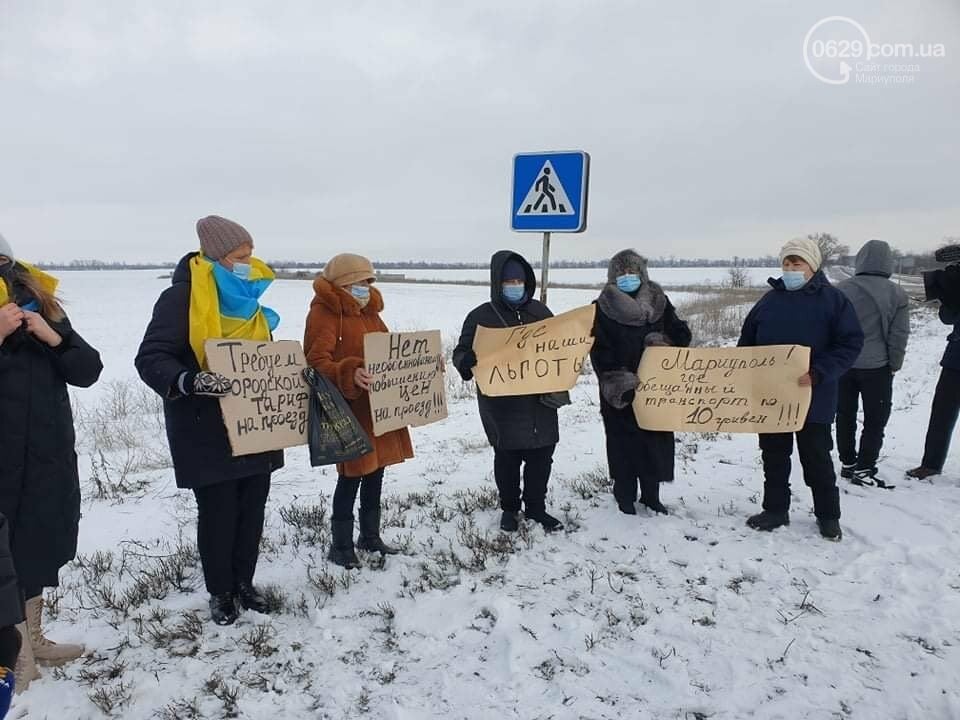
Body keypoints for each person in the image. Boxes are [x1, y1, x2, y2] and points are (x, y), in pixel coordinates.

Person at [135, 216, 283, 626]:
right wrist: (188, 380)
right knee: (218, 513)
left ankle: (245, 583)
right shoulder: (181, 299)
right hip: (206, 427)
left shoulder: (248, 302)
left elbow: (261, 359)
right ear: (217, 257)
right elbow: (150, 358)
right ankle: (220, 591)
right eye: (240, 257)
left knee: (252, 508)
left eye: (250, 255)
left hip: (256, 426)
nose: (248, 264)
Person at [0, 234, 101, 675]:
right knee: (2, 557)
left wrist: (53, 338)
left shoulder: (41, 304)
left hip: (47, 452)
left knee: (38, 543)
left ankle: (34, 639)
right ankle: (13, 656)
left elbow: (89, 371)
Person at [738, 238, 863, 541]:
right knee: (774, 455)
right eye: (787, 263)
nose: (791, 269)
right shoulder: (769, 302)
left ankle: (828, 516)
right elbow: (747, 343)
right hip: (771, 398)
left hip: (814, 396)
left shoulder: (834, 301)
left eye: (798, 263)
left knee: (817, 457)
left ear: (813, 265)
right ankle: (775, 510)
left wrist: (820, 372)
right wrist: (742, 370)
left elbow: (850, 343)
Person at [304, 254, 414, 568]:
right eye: (359, 282)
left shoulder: (369, 313)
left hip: (378, 408)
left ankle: (370, 536)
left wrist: (419, 365)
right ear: (341, 284)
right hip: (347, 410)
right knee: (351, 477)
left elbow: (389, 351)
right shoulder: (325, 314)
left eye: (369, 281)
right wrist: (349, 373)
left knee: (376, 473)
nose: (366, 287)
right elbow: (315, 364)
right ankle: (340, 546)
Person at [452, 251, 565, 533]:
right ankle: (510, 509)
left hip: (541, 402)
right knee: (508, 458)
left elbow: (558, 348)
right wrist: (465, 361)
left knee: (542, 457)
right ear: (497, 283)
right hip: (502, 405)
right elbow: (462, 351)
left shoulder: (540, 312)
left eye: (519, 280)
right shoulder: (481, 317)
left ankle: (537, 508)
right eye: (508, 281)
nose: (515, 285)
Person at [590, 250, 692, 515]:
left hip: (657, 388)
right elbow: (599, 349)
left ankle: (651, 495)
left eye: (632, 272)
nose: (627, 277)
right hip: (620, 389)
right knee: (622, 442)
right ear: (612, 277)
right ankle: (624, 495)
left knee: (654, 441)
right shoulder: (602, 307)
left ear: (642, 274)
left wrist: (665, 341)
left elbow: (681, 334)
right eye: (621, 273)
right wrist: (617, 380)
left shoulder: (660, 302)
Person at [835, 240, 910, 487]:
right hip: (877, 367)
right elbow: (899, 334)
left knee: (844, 413)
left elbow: (830, 327)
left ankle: (847, 462)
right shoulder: (896, 293)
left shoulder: (841, 289)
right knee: (875, 419)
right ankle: (865, 466)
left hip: (844, 365)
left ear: (861, 259)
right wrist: (894, 364)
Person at [907, 251, 960, 480]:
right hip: (957, 357)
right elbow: (948, 317)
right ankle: (931, 464)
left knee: (943, 412)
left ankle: (930, 464)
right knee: (942, 412)